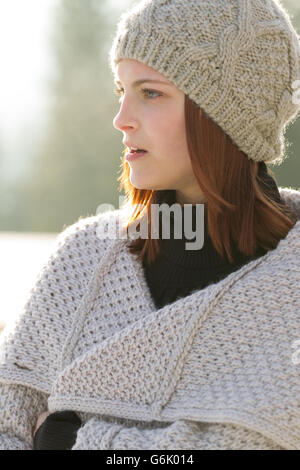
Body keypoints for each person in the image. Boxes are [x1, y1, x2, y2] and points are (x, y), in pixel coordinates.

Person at [1, 0, 300, 450]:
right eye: (121, 89)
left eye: (151, 92)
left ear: (224, 117)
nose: (121, 119)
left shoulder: (288, 285)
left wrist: (63, 439)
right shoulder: (82, 258)